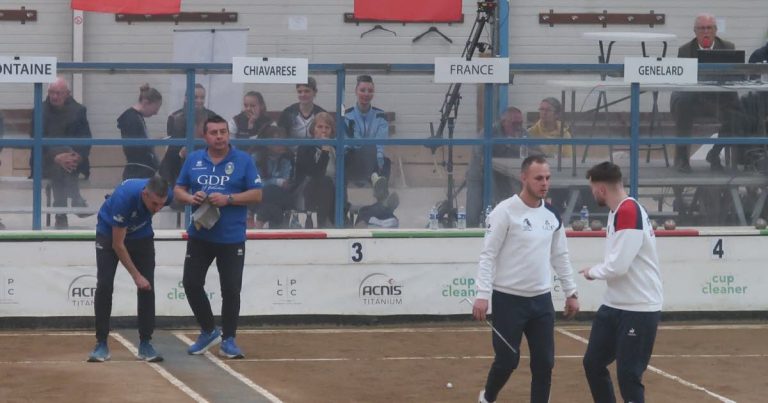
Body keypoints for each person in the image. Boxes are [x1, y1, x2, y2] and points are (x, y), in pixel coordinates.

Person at [473, 155, 579, 403]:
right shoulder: (504, 212)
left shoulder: (552, 215)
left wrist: (571, 293)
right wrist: (482, 295)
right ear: (524, 178)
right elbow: (488, 255)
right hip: (508, 301)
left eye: (547, 178)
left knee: (544, 364)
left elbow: (560, 255)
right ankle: (487, 397)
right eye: (538, 178)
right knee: (508, 360)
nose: (544, 183)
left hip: (541, 302)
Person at [174, 115, 262, 359]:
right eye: (214, 132)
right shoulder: (194, 159)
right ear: (205, 136)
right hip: (200, 234)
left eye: (223, 132)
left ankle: (229, 340)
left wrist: (229, 199)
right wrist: (192, 199)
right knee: (191, 283)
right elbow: (178, 189)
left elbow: (256, 194)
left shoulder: (243, 160)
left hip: (231, 237)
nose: (220, 136)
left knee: (231, 289)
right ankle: (208, 330)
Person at [580, 161, 663, 403]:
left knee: (628, 375)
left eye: (593, 188)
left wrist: (592, 272)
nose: (593, 193)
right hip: (615, 304)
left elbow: (618, 266)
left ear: (601, 189)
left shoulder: (628, 211)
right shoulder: (617, 212)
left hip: (638, 307)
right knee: (593, 363)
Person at [87, 175, 173, 363]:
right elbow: (118, 245)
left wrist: (196, 199)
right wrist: (136, 276)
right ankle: (101, 343)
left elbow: (181, 196)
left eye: (162, 205)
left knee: (147, 287)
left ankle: (146, 343)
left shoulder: (166, 194)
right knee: (105, 285)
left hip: (142, 236)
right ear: (144, 194)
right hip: (109, 234)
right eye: (154, 204)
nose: (157, 209)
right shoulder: (124, 199)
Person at [670, 13, 743, 172]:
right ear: (695, 31)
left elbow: (734, 76)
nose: (706, 32)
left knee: (737, 110)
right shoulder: (685, 50)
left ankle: (715, 153)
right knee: (683, 104)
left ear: (715, 30)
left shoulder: (728, 47)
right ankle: (682, 160)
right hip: (694, 99)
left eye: (709, 28)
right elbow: (682, 81)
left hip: (719, 98)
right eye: (702, 28)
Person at [30, 77, 93, 229]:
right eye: (51, 92)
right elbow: (35, 138)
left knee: (65, 161)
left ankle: (60, 214)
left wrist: (78, 156)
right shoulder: (40, 110)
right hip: (45, 159)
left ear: (67, 94)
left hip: (72, 160)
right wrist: (56, 156)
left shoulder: (78, 110)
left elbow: (85, 138)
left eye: (58, 93)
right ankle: (74, 200)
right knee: (60, 161)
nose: (54, 96)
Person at [466, 106, 542, 227]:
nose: (518, 126)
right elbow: (480, 154)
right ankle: (471, 230)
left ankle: (506, 226)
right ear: (503, 122)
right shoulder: (489, 132)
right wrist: (510, 146)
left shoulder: (522, 133)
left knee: (507, 201)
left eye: (520, 123)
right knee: (474, 208)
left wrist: (527, 149)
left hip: (505, 174)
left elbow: (537, 151)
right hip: (481, 174)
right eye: (514, 123)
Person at [159, 83, 217, 187]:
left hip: (205, 163)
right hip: (178, 165)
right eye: (195, 97)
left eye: (202, 97)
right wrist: (181, 153)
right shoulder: (175, 118)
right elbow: (173, 147)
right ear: (186, 98)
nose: (199, 101)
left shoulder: (212, 116)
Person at [343, 75, 391, 193]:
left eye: (370, 91)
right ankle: (342, 204)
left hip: (373, 161)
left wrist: (379, 159)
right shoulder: (347, 115)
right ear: (356, 91)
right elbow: (350, 143)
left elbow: (380, 143)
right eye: (362, 90)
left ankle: (381, 202)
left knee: (385, 161)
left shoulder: (380, 115)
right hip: (352, 161)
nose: (366, 94)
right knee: (364, 148)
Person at [294, 112, 337, 228]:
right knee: (325, 182)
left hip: (333, 190)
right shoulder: (305, 147)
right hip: (309, 189)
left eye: (327, 128)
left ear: (332, 131)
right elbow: (316, 174)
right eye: (320, 127)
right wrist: (324, 152)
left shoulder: (335, 148)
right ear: (313, 129)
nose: (324, 131)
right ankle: (320, 222)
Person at [251, 126, 294, 229]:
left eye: (283, 141)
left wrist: (280, 184)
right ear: (267, 143)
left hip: (280, 198)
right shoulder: (256, 158)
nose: (282, 144)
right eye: (277, 141)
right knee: (270, 191)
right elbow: (254, 184)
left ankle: (260, 222)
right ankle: (276, 223)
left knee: (273, 192)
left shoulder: (286, 159)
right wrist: (276, 182)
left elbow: (286, 183)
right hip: (258, 198)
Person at [118, 83, 163, 180]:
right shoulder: (131, 119)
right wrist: (150, 143)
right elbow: (135, 148)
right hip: (138, 170)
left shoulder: (136, 117)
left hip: (141, 169)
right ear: (146, 103)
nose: (156, 113)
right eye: (156, 108)